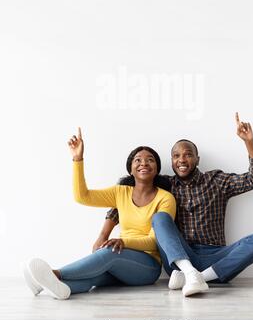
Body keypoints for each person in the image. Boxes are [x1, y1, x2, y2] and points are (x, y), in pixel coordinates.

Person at [97, 113, 253, 297]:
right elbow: (126, 203)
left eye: (188, 155)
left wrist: (248, 142)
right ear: (171, 161)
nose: (182, 160)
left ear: (197, 159)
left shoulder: (217, 180)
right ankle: (190, 272)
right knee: (160, 218)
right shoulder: (165, 187)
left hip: (216, 258)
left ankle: (200, 277)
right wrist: (103, 235)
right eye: (176, 156)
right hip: (180, 259)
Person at [22, 128, 177, 300]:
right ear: (131, 170)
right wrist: (77, 159)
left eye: (150, 160)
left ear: (157, 169)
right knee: (95, 277)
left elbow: (154, 241)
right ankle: (62, 288)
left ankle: (55, 274)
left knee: (108, 252)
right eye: (138, 160)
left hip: (148, 266)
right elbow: (83, 197)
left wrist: (123, 242)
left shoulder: (165, 198)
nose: (144, 163)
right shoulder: (121, 192)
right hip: (121, 257)